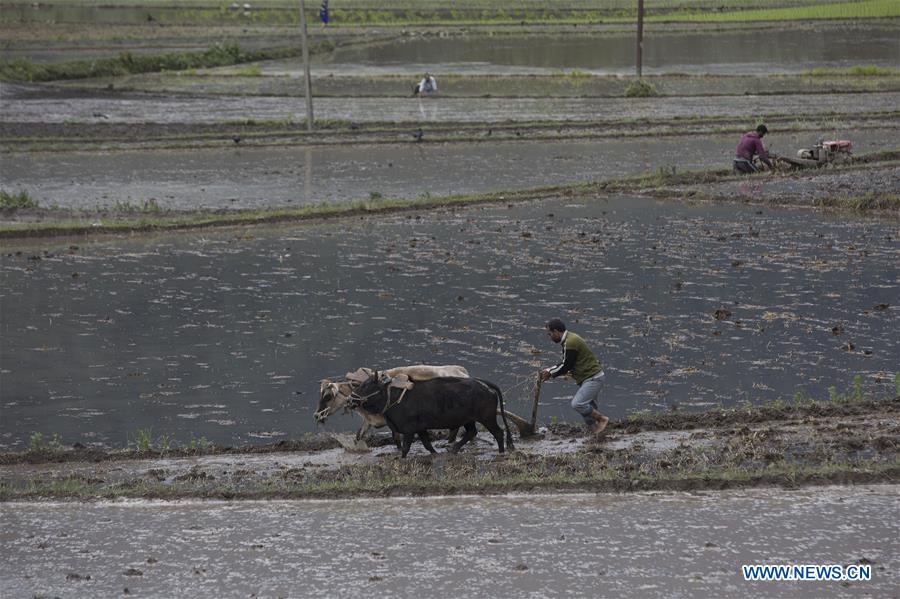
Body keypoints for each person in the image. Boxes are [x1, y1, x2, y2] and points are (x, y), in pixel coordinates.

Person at [539, 318, 609, 435]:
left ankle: (602, 419)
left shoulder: (570, 342)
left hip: (593, 378)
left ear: (556, 331)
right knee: (588, 409)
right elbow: (566, 362)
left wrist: (550, 373)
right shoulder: (569, 339)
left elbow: (566, 365)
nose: (550, 337)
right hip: (589, 378)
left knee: (578, 404)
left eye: (550, 334)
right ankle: (596, 433)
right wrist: (549, 370)